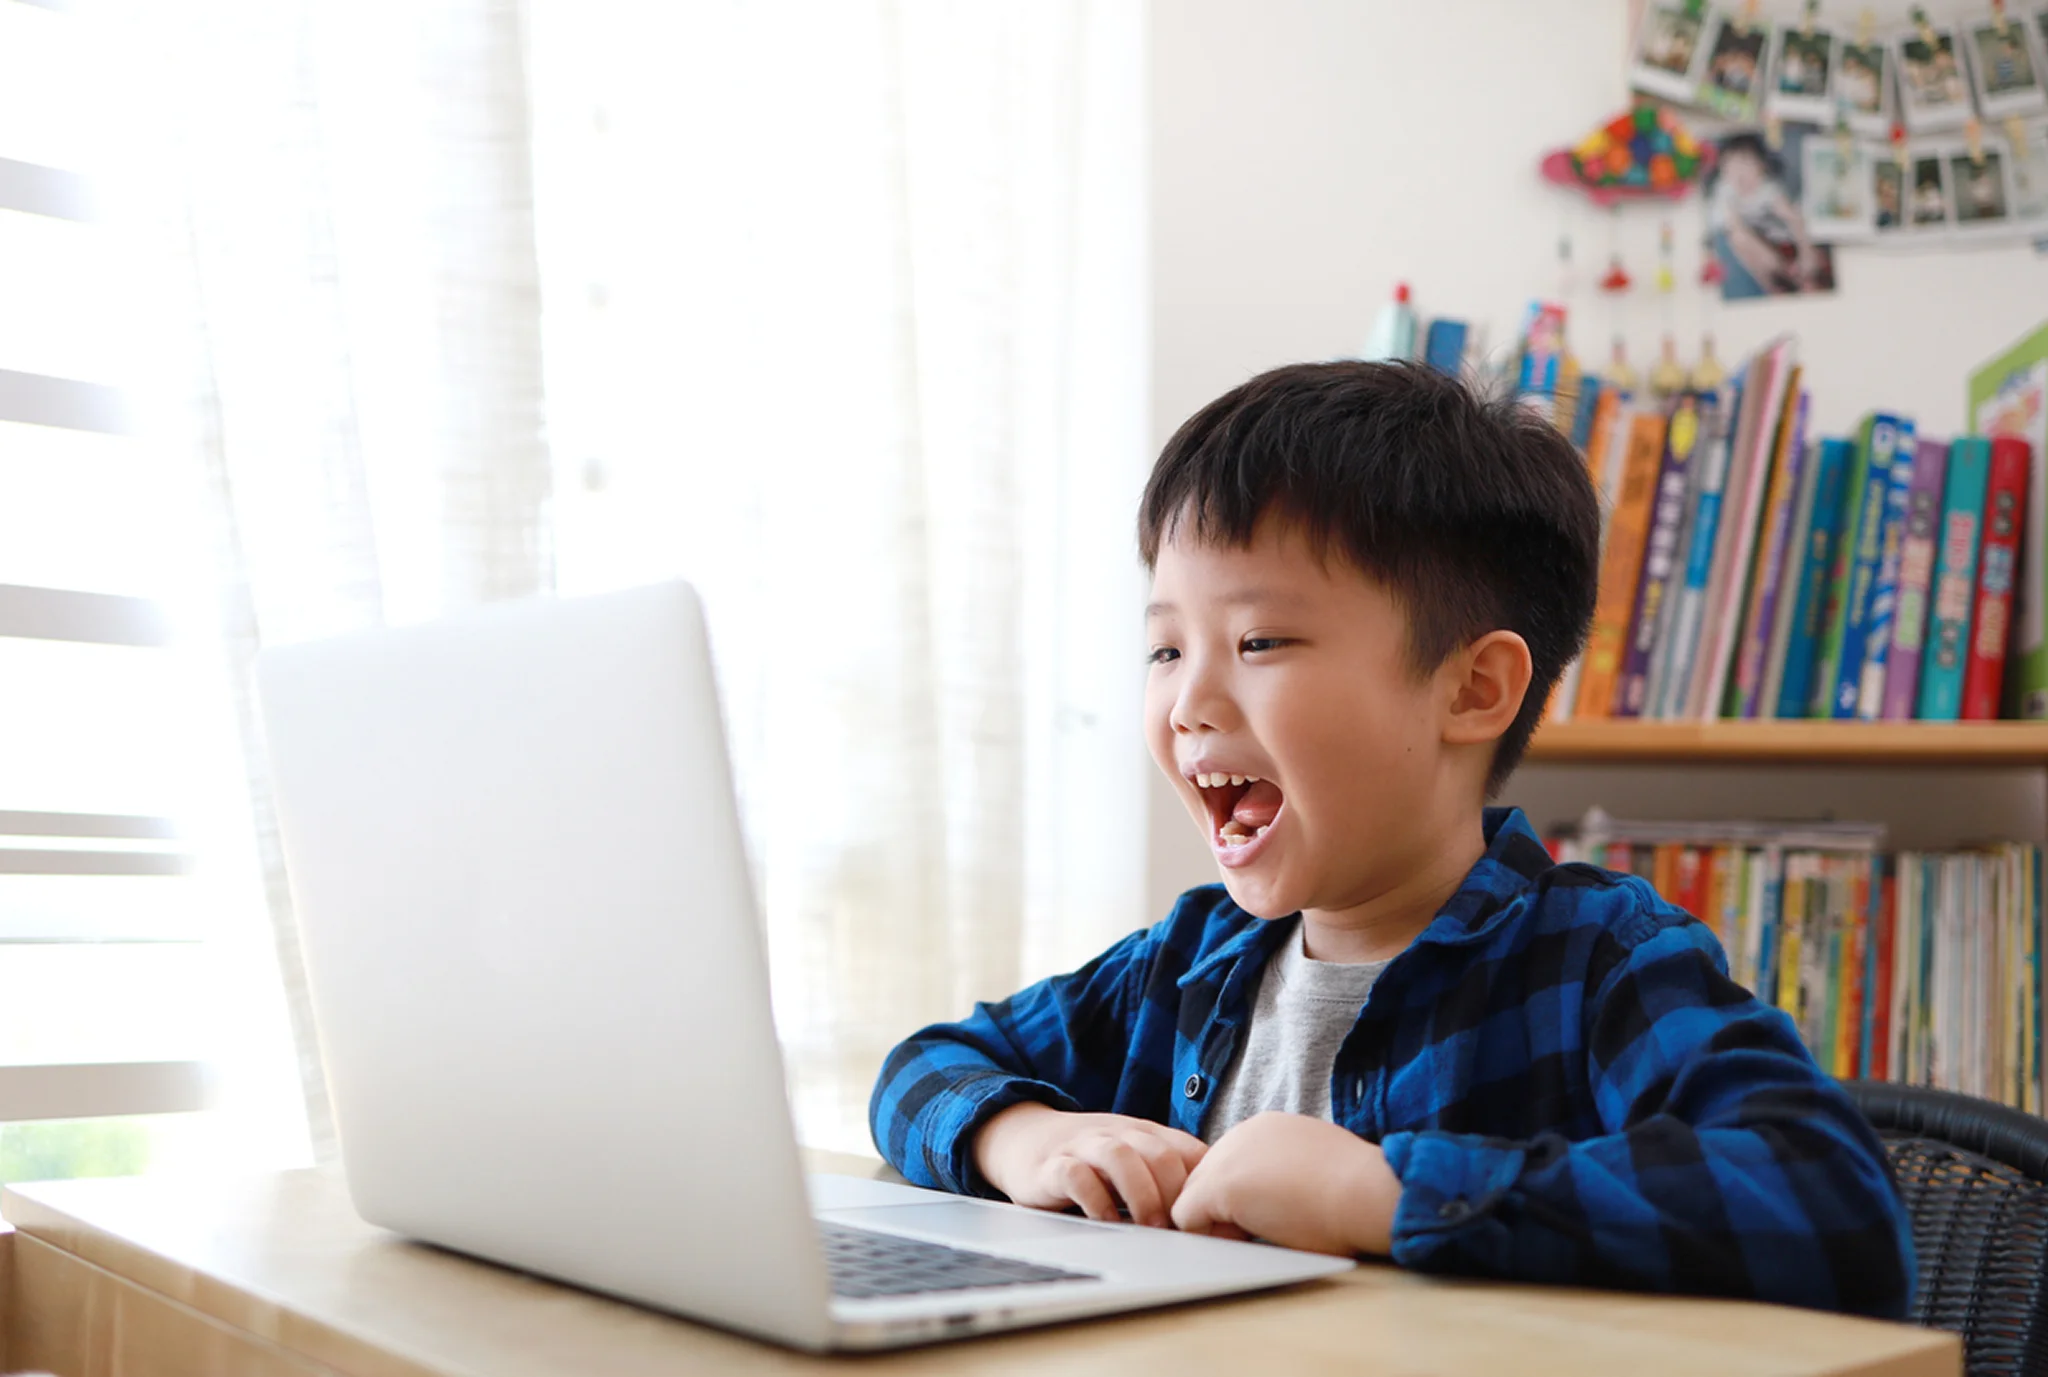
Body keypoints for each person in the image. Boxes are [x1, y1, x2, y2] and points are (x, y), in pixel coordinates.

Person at [869, 362, 1915, 1318]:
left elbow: (1829, 1204)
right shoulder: (1184, 966)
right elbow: (926, 1066)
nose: (1187, 701)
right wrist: (1023, 1136)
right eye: (1163, 647)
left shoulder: (1598, 960)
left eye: (1258, 641)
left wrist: (1380, 1191)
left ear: (1471, 689)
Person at [1710, 134, 1827, 295]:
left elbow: (1793, 218)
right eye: (1730, 167)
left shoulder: (1768, 190)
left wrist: (1805, 252)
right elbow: (1734, 228)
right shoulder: (1725, 192)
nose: (1739, 173)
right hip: (1762, 255)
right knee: (1737, 238)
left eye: (1746, 164)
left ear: (1761, 167)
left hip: (1784, 244)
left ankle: (1799, 277)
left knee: (1811, 267)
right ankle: (1776, 286)